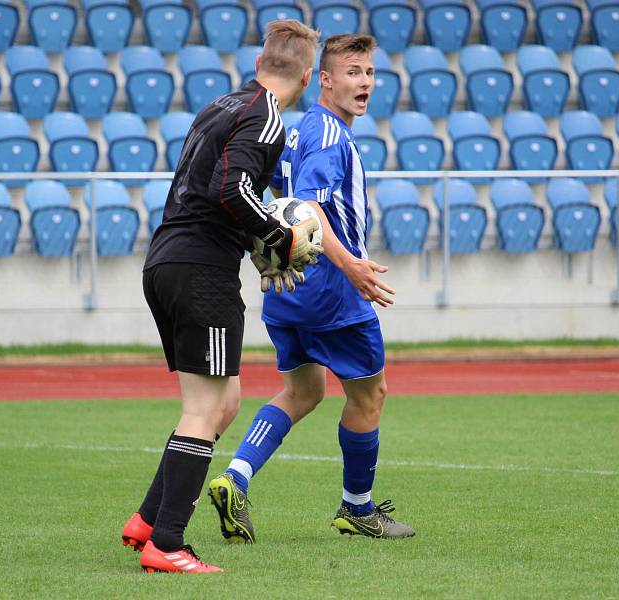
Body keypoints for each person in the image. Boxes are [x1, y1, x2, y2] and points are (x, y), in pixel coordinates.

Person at [120, 20, 322, 574]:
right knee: (203, 408)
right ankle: (168, 545)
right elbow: (231, 189)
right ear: (307, 76)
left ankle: (146, 521)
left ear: (260, 64)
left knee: (224, 403)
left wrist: (257, 242)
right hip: (200, 269)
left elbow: (217, 186)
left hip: (167, 259)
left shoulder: (222, 104)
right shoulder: (268, 117)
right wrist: (277, 237)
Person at [208, 34, 415, 543]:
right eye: (351, 72)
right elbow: (309, 207)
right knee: (371, 394)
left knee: (304, 391)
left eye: (368, 72)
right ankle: (358, 508)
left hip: (286, 284)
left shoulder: (299, 129)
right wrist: (352, 268)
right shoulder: (326, 132)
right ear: (323, 80)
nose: (363, 82)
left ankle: (235, 477)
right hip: (328, 288)